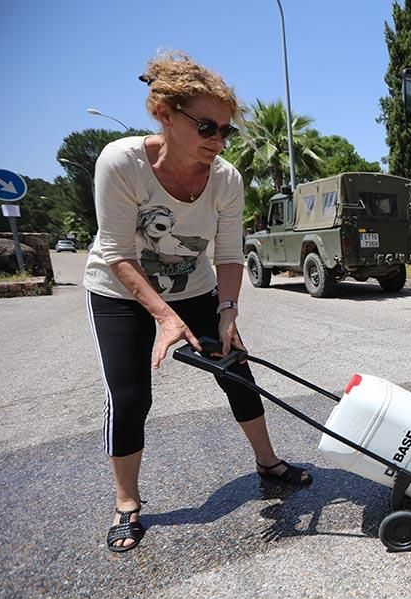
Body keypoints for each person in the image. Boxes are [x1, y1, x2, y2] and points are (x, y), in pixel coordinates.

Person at [84, 52, 310, 553]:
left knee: (237, 371)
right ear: (164, 113)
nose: (217, 140)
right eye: (207, 126)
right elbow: (118, 253)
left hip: (196, 289)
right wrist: (163, 317)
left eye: (226, 131)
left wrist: (227, 311)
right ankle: (127, 504)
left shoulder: (226, 178)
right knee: (130, 398)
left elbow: (229, 255)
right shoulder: (122, 163)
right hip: (120, 291)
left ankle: (268, 464)